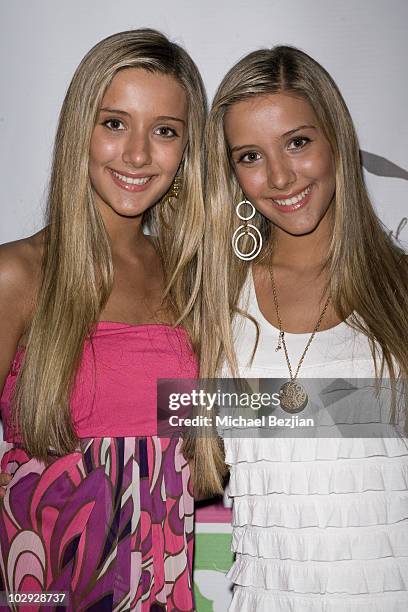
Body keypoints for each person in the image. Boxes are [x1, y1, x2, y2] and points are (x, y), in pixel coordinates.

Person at [0, 28, 224, 611]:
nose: (137, 155)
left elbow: (242, 419)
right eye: (115, 123)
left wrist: (376, 407)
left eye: (165, 131)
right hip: (50, 589)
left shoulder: (194, 281)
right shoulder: (17, 275)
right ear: (81, 128)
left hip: (163, 584)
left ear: (187, 150)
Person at [203, 46, 408, 611]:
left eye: (298, 142)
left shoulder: (401, 290)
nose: (279, 176)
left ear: (336, 138)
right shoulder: (213, 301)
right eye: (250, 155)